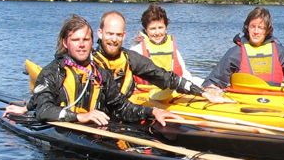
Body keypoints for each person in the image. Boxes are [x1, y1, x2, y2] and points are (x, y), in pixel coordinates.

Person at [4, 15, 180, 127]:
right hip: (63, 132)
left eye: (86, 39)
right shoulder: (53, 72)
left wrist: (153, 112)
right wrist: (80, 117)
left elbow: (121, 107)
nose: (82, 44)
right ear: (65, 43)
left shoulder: (100, 73)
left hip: (94, 130)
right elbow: (43, 111)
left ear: (91, 41)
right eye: (76, 39)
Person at [93, 10, 225, 103]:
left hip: (132, 107)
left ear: (124, 35)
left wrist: (202, 91)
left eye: (118, 34)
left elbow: (167, 77)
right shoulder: (90, 61)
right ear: (100, 33)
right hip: (138, 99)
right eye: (110, 33)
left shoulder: (130, 58)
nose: (114, 39)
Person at [202, 7, 284, 95]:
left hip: (273, 104)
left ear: (267, 30)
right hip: (243, 103)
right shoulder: (235, 53)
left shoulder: (280, 52)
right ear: (247, 28)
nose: (256, 31)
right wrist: (210, 90)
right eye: (253, 27)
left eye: (260, 27)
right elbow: (213, 81)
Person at [129, 3, 187, 78]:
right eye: (153, 29)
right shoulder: (137, 50)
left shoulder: (173, 50)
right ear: (146, 30)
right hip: (146, 89)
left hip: (171, 88)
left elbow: (184, 73)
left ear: (166, 28)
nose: (157, 33)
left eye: (160, 28)